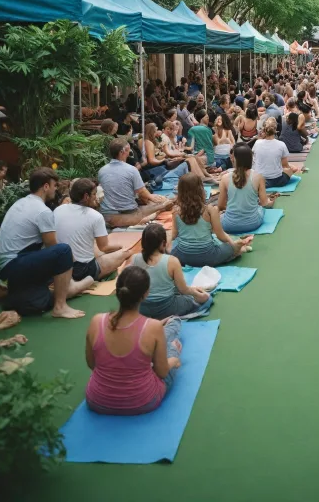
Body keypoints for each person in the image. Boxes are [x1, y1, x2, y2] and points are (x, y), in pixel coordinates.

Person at [0, 167, 92, 318]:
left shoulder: (21, 202)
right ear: (46, 186)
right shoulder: (42, 211)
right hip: (14, 264)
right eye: (54, 185)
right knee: (64, 251)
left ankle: (64, 288)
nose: (55, 189)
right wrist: (71, 262)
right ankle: (61, 307)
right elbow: (54, 247)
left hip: (3, 265)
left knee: (55, 263)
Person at [85, 265, 182, 415]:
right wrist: (174, 358)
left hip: (97, 401)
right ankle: (173, 341)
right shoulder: (153, 327)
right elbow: (162, 373)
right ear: (146, 294)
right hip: (143, 401)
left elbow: (92, 364)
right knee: (172, 342)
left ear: (117, 290)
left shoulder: (96, 321)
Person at [54, 178, 131, 282]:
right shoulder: (95, 216)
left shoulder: (58, 210)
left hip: (60, 268)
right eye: (94, 194)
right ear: (86, 196)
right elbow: (104, 247)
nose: (96, 197)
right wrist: (121, 246)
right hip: (82, 271)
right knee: (125, 252)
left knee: (94, 247)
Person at [131, 223, 213, 319]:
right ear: (163, 243)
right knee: (207, 298)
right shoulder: (172, 261)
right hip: (167, 307)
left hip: (143, 309)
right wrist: (197, 293)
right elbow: (184, 290)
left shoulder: (134, 259)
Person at [171, 172, 252, 266]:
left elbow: (174, 235)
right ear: (201, 189)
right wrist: (232, 246)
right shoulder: (210, 210)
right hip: (208, 256)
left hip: (182, 257)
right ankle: (238, 248)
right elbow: (220, 235)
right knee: (234, 249)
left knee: (172, 248)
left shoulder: (176, 211)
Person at [99, 139, 173, 228]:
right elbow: (143, 193)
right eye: (128, 151)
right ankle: (157, 210)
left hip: (106, 215)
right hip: (127, 214)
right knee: (162, 203)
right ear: (122, 152)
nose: (129, 153)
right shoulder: (131, 170)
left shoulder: (102, 171)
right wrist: (159, 200)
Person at [218, 143, 279, 234]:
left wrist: (234, 210)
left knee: (217, 214)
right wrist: (272, 201)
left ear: (235, 159)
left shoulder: (224, 178)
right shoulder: (258, 177)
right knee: (260, 209)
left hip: (229, 225)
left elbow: (221, 205)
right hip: (253, 223)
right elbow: (264, 203)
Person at [253, 117, 295, 188]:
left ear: (264, 129)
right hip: (277, 180)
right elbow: (285, 166)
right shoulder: (281, 144)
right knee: (292, 169)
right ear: (276, 130)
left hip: (259, 180)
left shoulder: (257, 143)